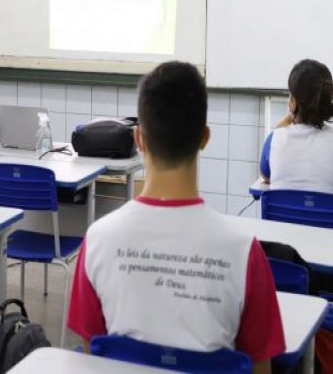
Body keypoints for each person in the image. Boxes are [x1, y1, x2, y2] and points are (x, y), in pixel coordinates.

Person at [68, 62, 285, 373]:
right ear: (204, 138)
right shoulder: (244, 252)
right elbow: (261, 368)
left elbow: (92, 358)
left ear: (139, 139)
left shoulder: (98, 240)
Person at [260, 59, 333, 192]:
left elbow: (266, 177)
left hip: (281, 214)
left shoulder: (275, 139)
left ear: (293, 101)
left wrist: (286, 121)